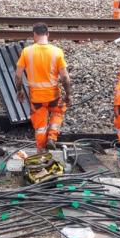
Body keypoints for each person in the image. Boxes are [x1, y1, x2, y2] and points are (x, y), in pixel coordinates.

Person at [14, 23, 73, 151]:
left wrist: (19, 90)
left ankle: (41, 152)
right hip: (53, 96)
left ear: (34, 35)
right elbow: (65, 77)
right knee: (58, 112)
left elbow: (18, 76)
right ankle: (52, 137)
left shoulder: (27, 51)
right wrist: (68, 94)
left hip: (36, 99)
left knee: (40, 127)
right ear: (48, 34)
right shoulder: (57, 52)